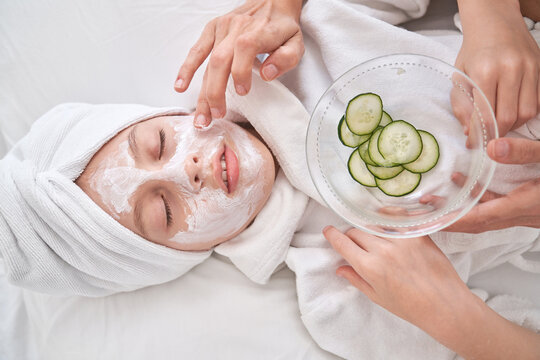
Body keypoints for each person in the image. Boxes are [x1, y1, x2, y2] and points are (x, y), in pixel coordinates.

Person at [170, 0, 540, 358]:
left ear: (177, 115)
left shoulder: (299, 46)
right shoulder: (333, 295)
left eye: (157, 145)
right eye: (164, 211)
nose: (187, 170)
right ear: (183, 253)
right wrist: (458, 319)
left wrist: (493, 18)